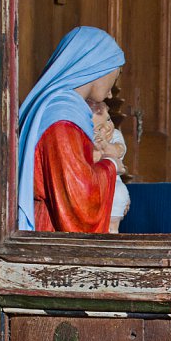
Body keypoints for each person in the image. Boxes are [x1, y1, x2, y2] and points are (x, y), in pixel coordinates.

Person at [17, 26, 126, 233]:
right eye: (114, 77)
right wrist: (111, 164)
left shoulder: (63, 110)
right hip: (51, 233)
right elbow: (81, 202)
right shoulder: (62, 117)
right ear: (98, 67)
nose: (111, 94)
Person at [89, 99, 130, 232]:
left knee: (117, 195)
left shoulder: (115, 135)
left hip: (113, 184)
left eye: (109, 120)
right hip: (93, 185)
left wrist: (105, 145)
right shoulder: (87, 138)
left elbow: (119, 151)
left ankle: (113, 231)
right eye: (99, 127)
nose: (107, 127)